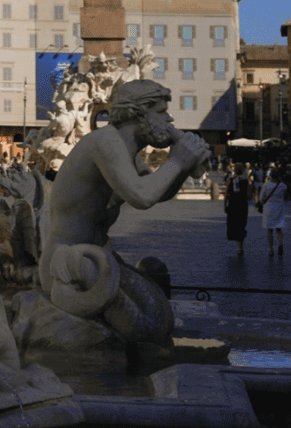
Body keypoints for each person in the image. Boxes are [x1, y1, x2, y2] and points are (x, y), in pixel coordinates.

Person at [41, 79, 211, 299]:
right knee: (142, 321)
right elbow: (142, 197)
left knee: (152, 304)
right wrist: (178, 161)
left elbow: (157, 193)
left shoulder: (130, 154)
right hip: (68, 264)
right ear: (137, 113)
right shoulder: (106, 141)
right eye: (161, 112)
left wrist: (184, 167)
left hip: (96, 257)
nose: (169, 119)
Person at [259, 165, 286, 258]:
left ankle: (271, 250)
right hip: (279, 208)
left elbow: (261, 198)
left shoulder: (266, 184)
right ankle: (280, 243)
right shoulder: (282, 185)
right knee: (279, 228)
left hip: (269, 208)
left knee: (269, 229)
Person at [224, 163, 251, 257]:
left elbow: (226, 195)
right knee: (241, 226)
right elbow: (249, 195)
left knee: (234, 226)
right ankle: (240, 247)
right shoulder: (246, 182)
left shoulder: (230, 181)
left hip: (233, 206)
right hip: (242, 207)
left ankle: (239, 248)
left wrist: (225, 206)